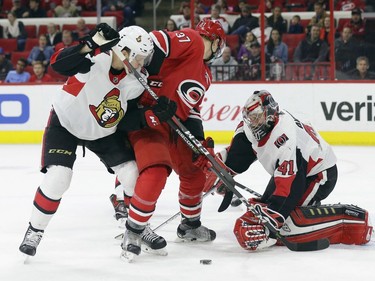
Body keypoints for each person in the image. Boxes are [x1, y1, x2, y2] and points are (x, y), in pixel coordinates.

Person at [18, 23, 176, 257]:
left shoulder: (136, 80)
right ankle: (35, 230)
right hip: (66, 124)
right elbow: (57, 64)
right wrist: (88, 44)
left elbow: (124, 118)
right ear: (125, 51)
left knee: (132, 174)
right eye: (140, 57)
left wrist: (149, 115)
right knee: (59, 178)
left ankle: (137, 227)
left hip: (102, 132)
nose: (143, 64)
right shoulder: (94, 60)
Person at [114, 18, 226, 260]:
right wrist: (150, 71)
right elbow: (154, 42)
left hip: (175, 126)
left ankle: (190, 226)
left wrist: (196, 138)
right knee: (156, 171)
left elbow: (191, 109)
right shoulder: (193, 40)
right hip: (147, 119)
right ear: (216, 42)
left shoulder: (206, 75)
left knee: (193, 170)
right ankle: (133, 231)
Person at [202, 90, 371, 251]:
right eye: (250, 118)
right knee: (265, 209)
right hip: (292, 169)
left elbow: (290, 187)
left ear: (269, 114)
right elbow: (243, 150)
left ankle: (347, 221)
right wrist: (223, 168)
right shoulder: (256, 125)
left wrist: (273, 221)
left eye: (257, 117)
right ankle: (299, 209)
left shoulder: (286, 139)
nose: (253, 122)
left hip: (318, 174)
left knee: (289, 223)